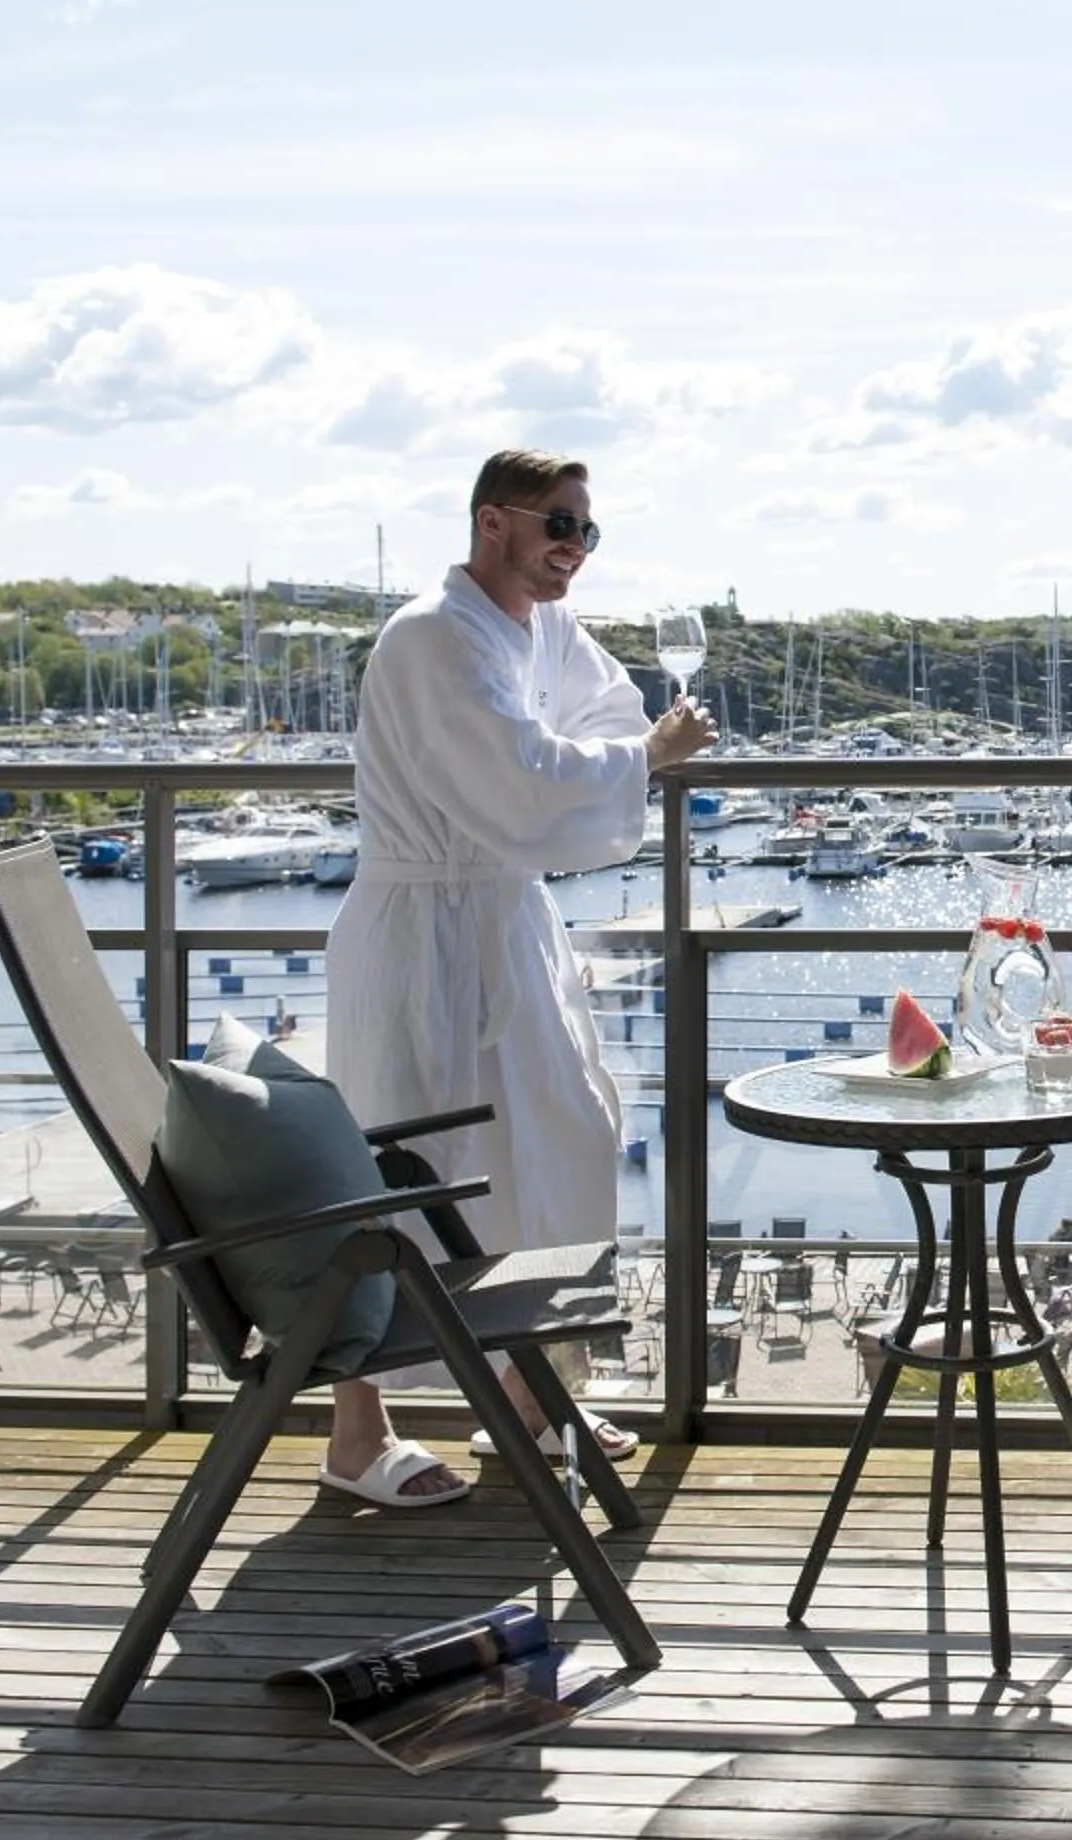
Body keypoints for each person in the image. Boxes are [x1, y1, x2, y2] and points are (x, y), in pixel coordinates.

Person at [319, 448, 716, 1506]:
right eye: (558, 525)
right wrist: (647, 761)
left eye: (588, 531)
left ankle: (533, 1391)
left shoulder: (540, 629)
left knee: (559, 1137)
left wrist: (627, 747)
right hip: (420, 931)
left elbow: (598, 718)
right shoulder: (431, 640)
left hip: (503, 917)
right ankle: (358, 1432)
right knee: (403, 1163)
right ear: (492, 522)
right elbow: (521, 780)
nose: (574, 550)